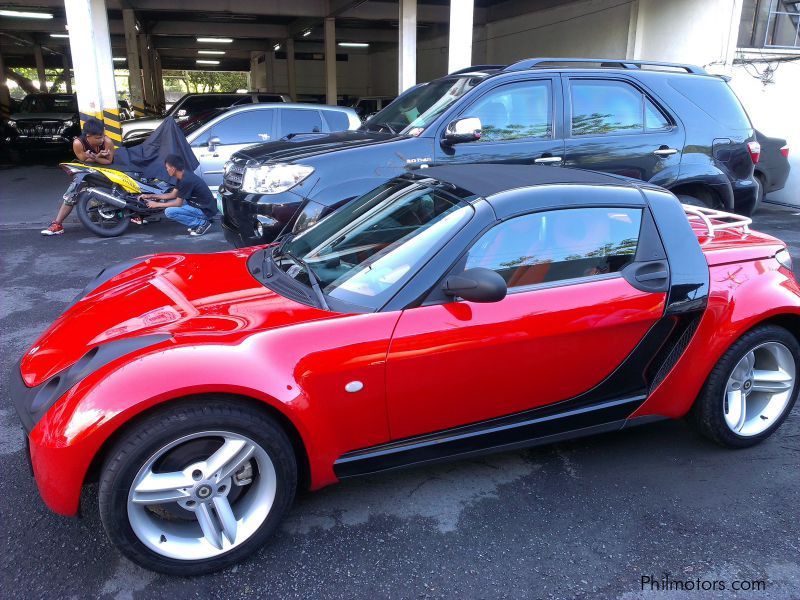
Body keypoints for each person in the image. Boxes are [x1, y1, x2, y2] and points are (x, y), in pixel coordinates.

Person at [41, 118, 116, 236]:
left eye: (102, 136)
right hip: (86, 170)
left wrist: (96, 157)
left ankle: (135, 214)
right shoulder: (78, 143)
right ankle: (57, 224)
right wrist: (97, 157)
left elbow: (109, 161)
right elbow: (84, 160)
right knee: (71, 193)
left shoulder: (107, 142)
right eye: (97, 138)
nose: (101, 140)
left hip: (107, 170)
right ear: (88, 136)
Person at [139, 153, 216, 236]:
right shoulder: (182, 175)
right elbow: (172, 195)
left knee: (169, 211)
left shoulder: (186, 180)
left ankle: (202, 223)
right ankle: (197, 222)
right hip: (201, 205)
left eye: (167, 167)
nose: (166, 170)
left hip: (205, 210)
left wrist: (156, 204)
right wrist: (150, 196)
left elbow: (178, 203)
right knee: (173, 202)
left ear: (173, 169)